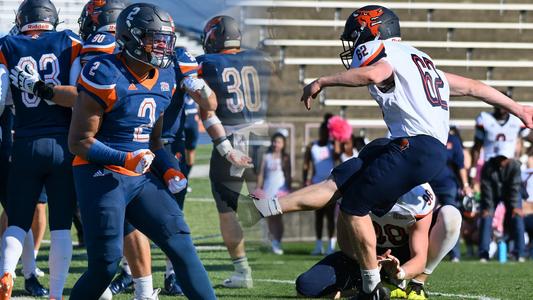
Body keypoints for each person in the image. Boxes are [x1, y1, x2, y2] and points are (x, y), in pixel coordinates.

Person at [245, 5, 533, 298]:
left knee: (353, 207)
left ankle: (372, 288)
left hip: (412, 146)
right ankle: (264, 208)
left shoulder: (380, 51)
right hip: (415, 147)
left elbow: (375, 73)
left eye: (355, 37)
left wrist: (321, 81)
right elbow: (474, 87)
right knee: (346, 176)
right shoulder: (420, 59)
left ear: (371, 30)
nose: (354, 45)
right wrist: (518, 108)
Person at [68, 3, 216, 299]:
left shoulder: (166, 76)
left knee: (182, 243)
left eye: (166, 40)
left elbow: (154, 142)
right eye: (154, 39)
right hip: (100, 172)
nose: (162, 47)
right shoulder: (105, 72)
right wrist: (125, 158)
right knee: (105, 264)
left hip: (140, 175)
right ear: (132, 38)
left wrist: (168, 167)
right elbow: (79, 141)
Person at [0, 0, 83, 298]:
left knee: (17, 221)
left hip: (24, 143)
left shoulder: (7, 45)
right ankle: (56, 294)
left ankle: (6, 273)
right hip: (63, 144)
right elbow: (78, 97)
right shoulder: (69, 41)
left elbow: (0, 100)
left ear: (22, 18)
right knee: (61, 227)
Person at [196, 14, 273, 288]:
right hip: (262, 135)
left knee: (226, 206)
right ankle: (261, 216)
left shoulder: (208, 63)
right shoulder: (260, 58)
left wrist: (225, 147)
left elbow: (207, 108)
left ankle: (242, 271)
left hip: (232, 136)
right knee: (256, 194)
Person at [294, 182, 462, 300]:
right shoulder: (355, 185)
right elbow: (345, 244)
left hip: (401, 255)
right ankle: (370, 286)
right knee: (306, 286)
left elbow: (419, 256)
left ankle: (416, 284)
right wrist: (370, 261)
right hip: (362, 256)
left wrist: (400, 272)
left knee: (451, 215)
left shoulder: (418, 194)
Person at [470, 106, 529, 262]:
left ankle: (519, 252)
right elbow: (476, 146)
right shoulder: (485, 119)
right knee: (486, 213)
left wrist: (523, 156)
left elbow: (528, 136)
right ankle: (483, 253)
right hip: (490, 169)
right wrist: (473, 171)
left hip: (511, 171)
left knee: (516, 211)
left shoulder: (516, 121)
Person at [429, 125, 471, 261]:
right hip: (429, 186)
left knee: (452, 218)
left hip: (448, 185)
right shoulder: (429, 138)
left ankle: (455, 254)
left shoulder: (453, 140)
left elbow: (460, 165)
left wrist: (465, 185)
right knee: (426, 218)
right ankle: (427, 252)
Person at [303, 118, 338, 255]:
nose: (324, 134)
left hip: (331, 185)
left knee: (330, 217)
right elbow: (306, 164)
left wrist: (335, 141)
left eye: (326, 131)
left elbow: (337, 156)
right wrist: (305, 180)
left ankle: (331, 245)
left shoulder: (332, 145)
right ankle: (318, 245)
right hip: (317, 184)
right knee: (319, 216)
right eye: (322, 131)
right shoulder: (313, 146)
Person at [256, 132, 291, 255]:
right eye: (275, 141)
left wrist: (288, 190)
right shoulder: (267, 156)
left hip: (280, 191)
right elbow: (261, 174)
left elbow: (287, 175)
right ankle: (273, 241)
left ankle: (277, 241)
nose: (276, 144)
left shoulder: (285, 158)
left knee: (278, 217)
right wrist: (258, 189)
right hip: (268, 190)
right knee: (270, 218)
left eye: (279, 142)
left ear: (283, 144)